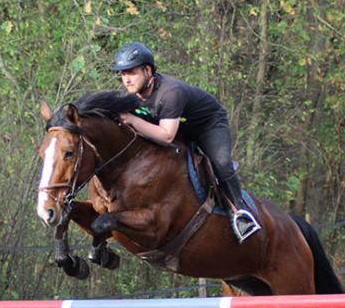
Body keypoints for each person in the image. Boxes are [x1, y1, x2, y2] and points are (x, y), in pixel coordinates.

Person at [112, 42, 261, 243]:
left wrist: (132, 120)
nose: (126, 79)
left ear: (148, 70)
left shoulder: (170, 92)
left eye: (131, 72)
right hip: (179, 126)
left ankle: (240, 213)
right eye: (122, 74)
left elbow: (166, 135)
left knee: (222, 163)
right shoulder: (131, 96)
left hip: (208, 125)